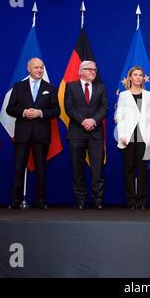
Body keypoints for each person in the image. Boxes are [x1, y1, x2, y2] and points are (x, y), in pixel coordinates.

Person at [6, 58, 60, 210]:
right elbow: (10, 108)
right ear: (28, 69)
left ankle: (40, 200)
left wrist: (40, 113)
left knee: (41, 168)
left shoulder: (50, 88)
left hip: (41, 134)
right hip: (23, 133)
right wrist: (23, 112)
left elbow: (56, 110)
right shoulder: (19, 86)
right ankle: (15, 200)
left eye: (41, 67)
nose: (39, 70)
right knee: (18, 167)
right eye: (36, 67)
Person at [64, 61, 108, 210]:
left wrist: (93, 121)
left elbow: (104, 108)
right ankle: (81, 200)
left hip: (95, 133)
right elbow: (69, 108)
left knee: (98, 169)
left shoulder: (101, 87)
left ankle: (98, 200)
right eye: (90, 69)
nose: (93, 72)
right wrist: (83, 121)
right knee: (78, 169)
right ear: (81, 71)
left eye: (95, 70)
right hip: (76, 133)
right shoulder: (71, 87)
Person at [116, 67, 150, 210]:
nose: (138, 77)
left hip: (144, 138)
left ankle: (142, 200)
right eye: (135, 75)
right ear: (130, 78)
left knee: (142, 170)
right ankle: (131, 200)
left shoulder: (148, 95)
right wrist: (121, 136)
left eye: (140, 75)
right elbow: (120, 118)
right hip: (128, 138)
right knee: (128, 169)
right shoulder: (124, 95)